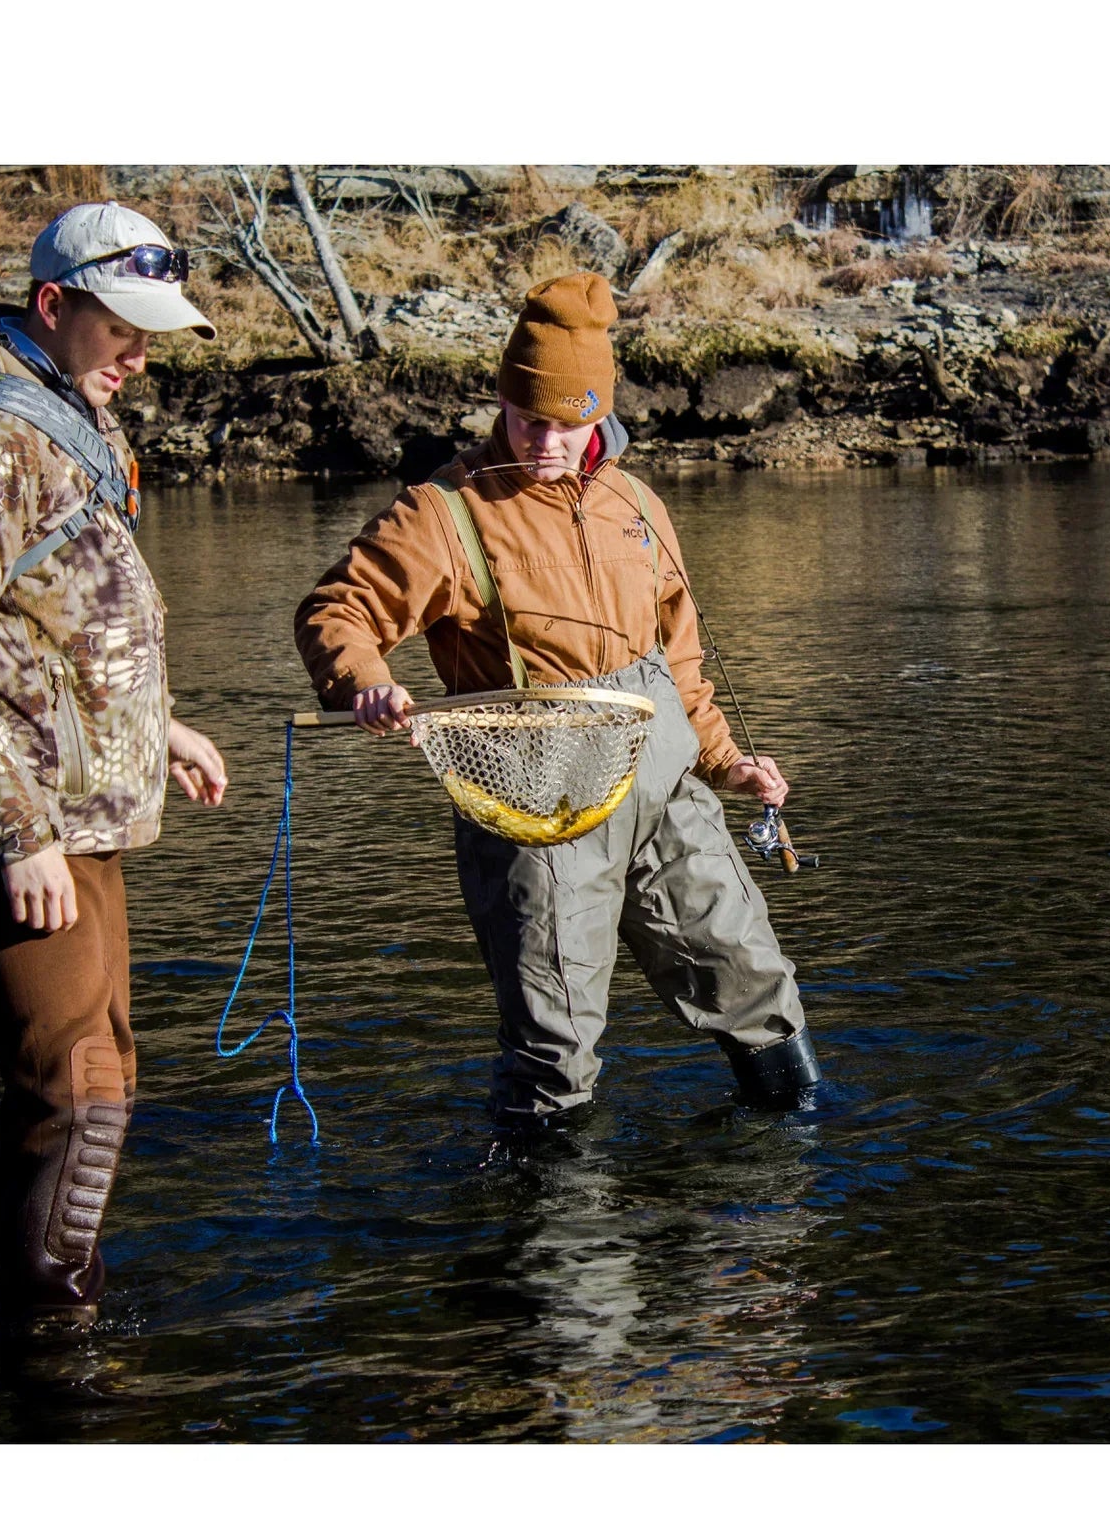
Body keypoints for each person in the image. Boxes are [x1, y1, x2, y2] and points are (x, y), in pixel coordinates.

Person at [294, 270, 819, 1126]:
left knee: (753, 979)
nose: (544, 442)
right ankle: (552, 1232)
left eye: (568, 425)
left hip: (667, 794)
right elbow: (335, 611)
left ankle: (790, 1180)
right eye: (527, 419)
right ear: (501, 401)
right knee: (555, 1039)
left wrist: (728, 762)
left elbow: (678, 664)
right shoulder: (442, 512)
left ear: (598, 416)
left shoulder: (636, 504)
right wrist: (367, 681)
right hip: (537, 810)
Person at [0, 199, 230, 1328]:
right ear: (52, 306)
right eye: (121, 325)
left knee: (92, 1065)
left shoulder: (60, 423)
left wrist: (155, 726)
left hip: (77, 815)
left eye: (150, 329)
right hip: (13, 825)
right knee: (82, 1091)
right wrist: (16, 829)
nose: (140, 352)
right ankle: (57, 1342)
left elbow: (56, 627)